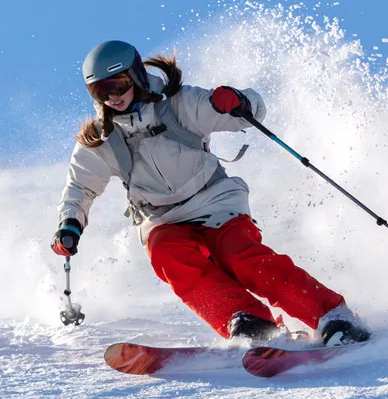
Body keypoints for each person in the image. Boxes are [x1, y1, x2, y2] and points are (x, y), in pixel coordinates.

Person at [51, 40, 370, 346]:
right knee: (168, 255)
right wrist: (70, 223)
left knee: (240, 257)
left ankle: (332, 315)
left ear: (135, 75)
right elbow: (80, 187)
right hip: (161, 218)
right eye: (100, 90)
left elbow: (252, 111)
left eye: (118, 84)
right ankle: (248, 321)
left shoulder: (177, 105)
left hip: (214, 200)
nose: (112, 97)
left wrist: (237, 102)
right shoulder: (101, 138)